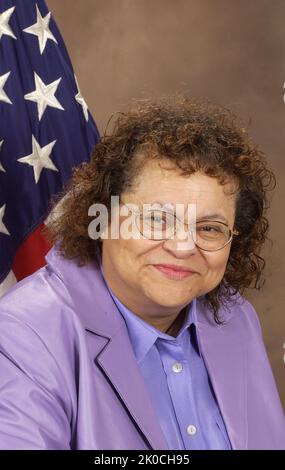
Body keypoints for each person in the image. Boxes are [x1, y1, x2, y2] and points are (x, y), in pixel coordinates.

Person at [0, 96, 284, 450]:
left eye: (209, 228)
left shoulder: (235, 316)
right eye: (156, 220)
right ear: (101, 218)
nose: (183, 247)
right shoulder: (23, 332)